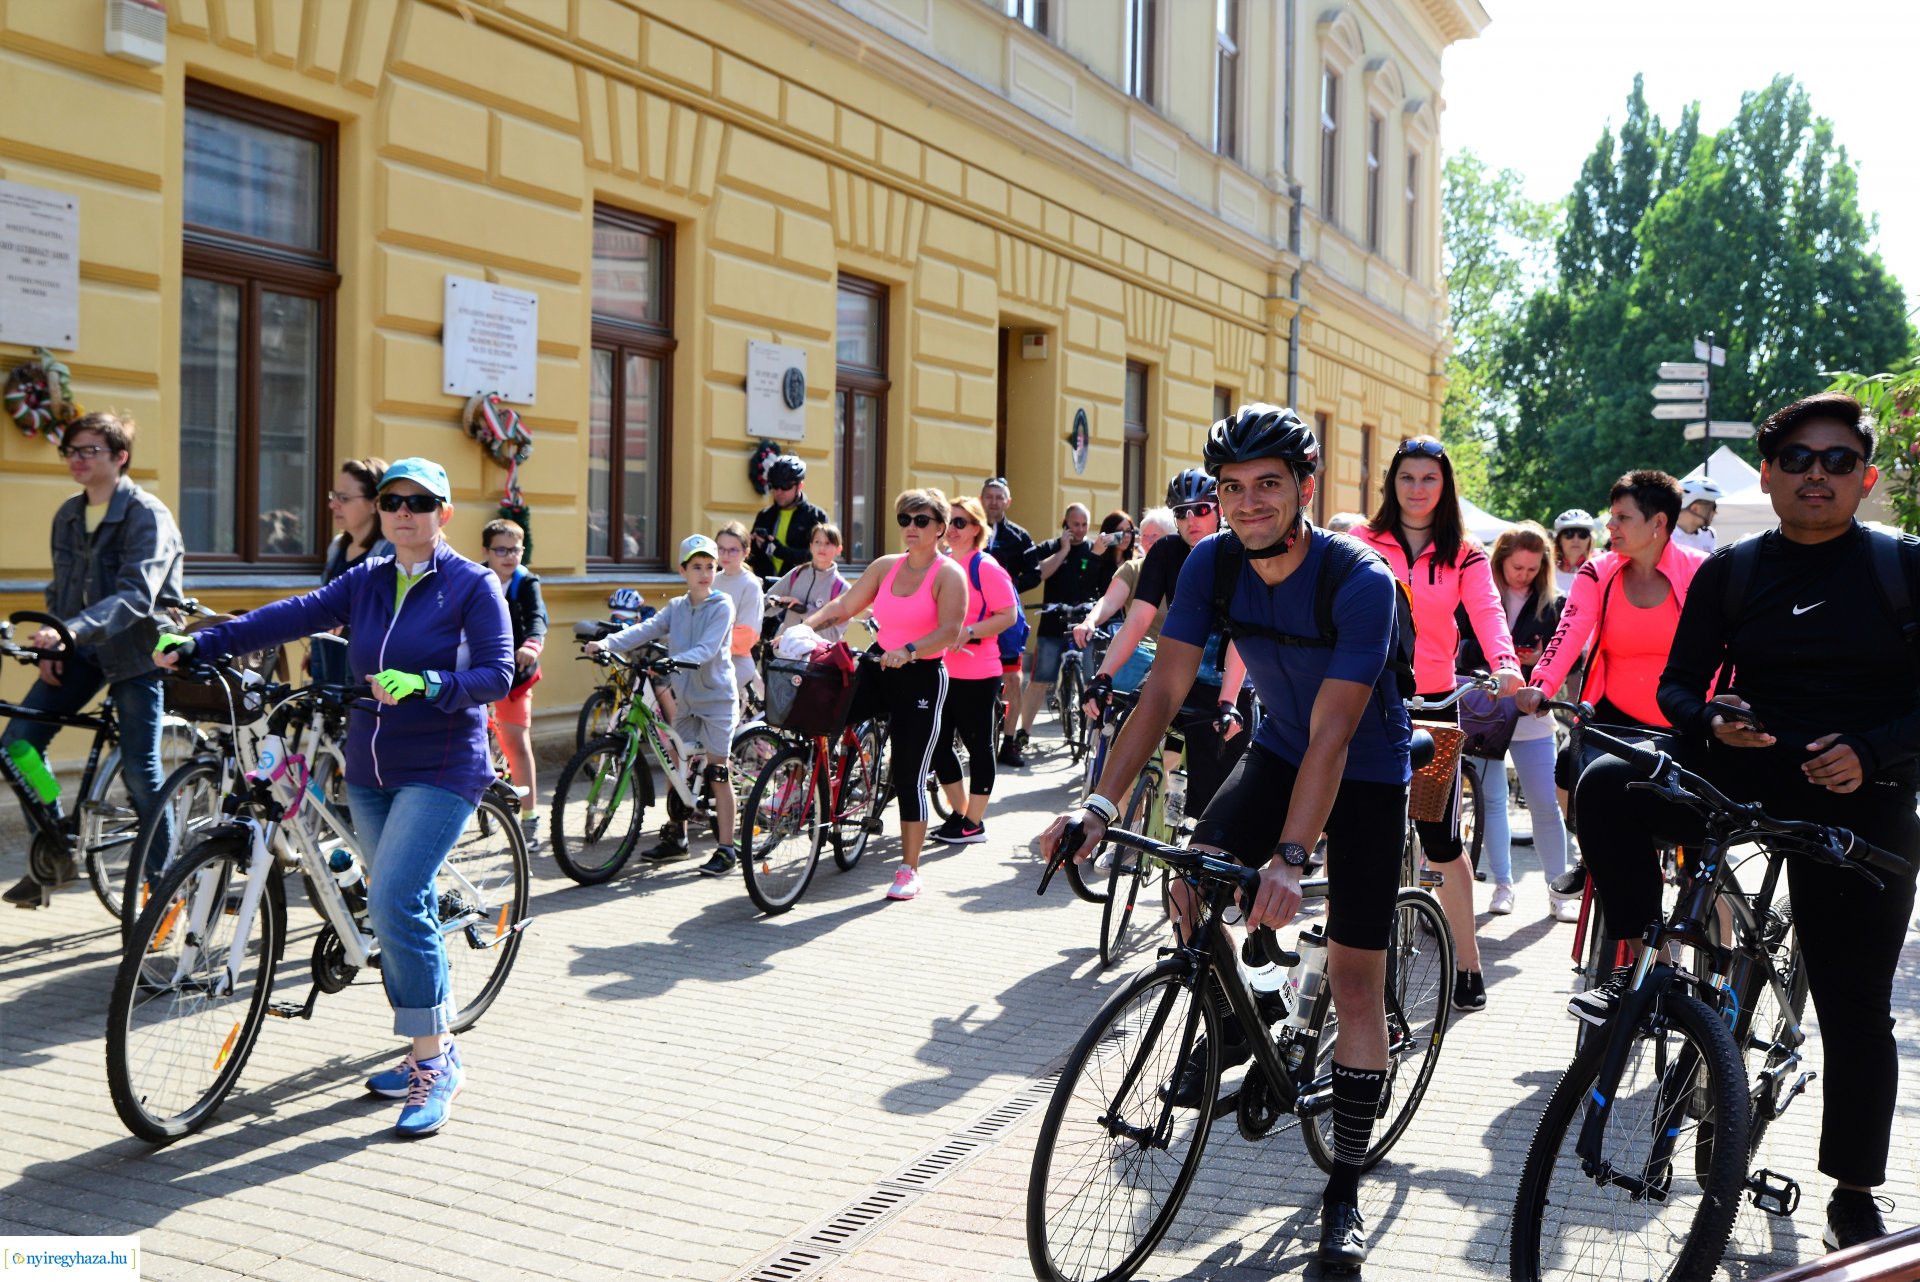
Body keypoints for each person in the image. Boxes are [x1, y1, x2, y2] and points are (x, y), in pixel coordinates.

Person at [1045, 405, 1413, 1273]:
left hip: (1365, 769)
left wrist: (1290, 858)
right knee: (1191, 880)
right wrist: (1097, 805)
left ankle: (1344, 1188)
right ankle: (1251, 1010)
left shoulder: (1359, 578)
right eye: (1233, 487)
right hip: (1280, 746)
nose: (1249, 503)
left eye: (1268, 485)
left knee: (1355, 979)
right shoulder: (1210, 561)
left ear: (1305, 488)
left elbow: (1335, 734)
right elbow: (1164, 690)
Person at [1568, 393, 1917, 1252]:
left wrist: (1871, 751)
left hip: (1863, 790)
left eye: (1837, 461)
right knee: (1607, 780)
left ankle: (1855, 1194)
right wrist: (1711, 718)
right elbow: (1677, 688)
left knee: (1855, 1006)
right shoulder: (1734, 569)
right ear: (1767, 475)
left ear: (1866, 478)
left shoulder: (1902, 567)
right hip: (1749, 764)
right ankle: (1640, 965)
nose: (1816, 474)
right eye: (1796, 459)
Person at [154, 457, 511, 1137]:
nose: (404, 512)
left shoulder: (471, 585)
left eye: (420, 502)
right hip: (370, 768)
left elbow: (496, 674)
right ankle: (429, 1040)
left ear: (444, 513)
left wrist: (429, 685)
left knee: (395, 899)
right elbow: (295, 614)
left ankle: (435, 1063)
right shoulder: (368, 578)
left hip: (443, 766)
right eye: (393, 501)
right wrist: (205, 644)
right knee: (397, 904)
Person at [1353, 437, 1522, 1012]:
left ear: (1445, 486)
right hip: (1370, 700)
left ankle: (1467, 963)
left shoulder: (1464, 554)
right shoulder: (1362, 542)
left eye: (1429, 478)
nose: (1418, 488)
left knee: (1442, 839)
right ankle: (1348, 969)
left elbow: (1488, 612)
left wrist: (1505, 665)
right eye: (1407, 477)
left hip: (1433, 703)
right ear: (1392, 484)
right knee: (1355, 833)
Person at [3, 412, 184, 910]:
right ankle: (55, 845)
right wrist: (54, 644)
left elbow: (136, 596)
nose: (77, 459)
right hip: (81, 648)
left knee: (140, 771)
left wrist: (69, 632)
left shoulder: (147, 514)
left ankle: (163, 887)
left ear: (120, 457)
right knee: (18, 743)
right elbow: (62, 589)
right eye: (71, 450)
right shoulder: (68, 513)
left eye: (89, 450)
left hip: (139, 652)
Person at [801, 489, 966, 901]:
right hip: (879, 666)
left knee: (909, 774)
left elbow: (949, 630)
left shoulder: (948, 574)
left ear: (940, 528)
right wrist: (804, 628)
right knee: (824, 716)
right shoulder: (885, 566)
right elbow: (844, 604)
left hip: (921, 676)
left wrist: (909, 650)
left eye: (921, 520)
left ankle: (909, 869)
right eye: (904, 520)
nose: (911, 527)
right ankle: (826, 792)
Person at [1086, 470, 1251, 820]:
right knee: (1123, 746)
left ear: (1219, 510)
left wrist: (1228, 701)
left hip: (1226, 676)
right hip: (1175, 670)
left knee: (1217, 804)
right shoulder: (1165, 551)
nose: (1191, 520)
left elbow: (1241, 633)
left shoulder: (1238, 551)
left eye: (1201, 510)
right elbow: (1137, 621)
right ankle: (1123, 832)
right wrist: (1103, 676)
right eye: (1181, 512)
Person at [587, 535, 740, 875]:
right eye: (697, 567)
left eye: (710, 567)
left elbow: (707, 649)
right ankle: (677, 838)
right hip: (687, 699)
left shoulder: (722, 605)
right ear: (683, 570)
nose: (704, 573)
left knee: (717, 770)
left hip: (717, 699)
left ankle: (727, 849)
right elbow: (645, 629)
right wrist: (607, 643)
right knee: (676, 764)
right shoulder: (677, 607)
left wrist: (673, 661)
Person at [1455, 522, 1573, 921]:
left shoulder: (1553, 604)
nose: (1524, 575)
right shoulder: (1476, 590)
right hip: (1485, 711)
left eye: (1532, 569)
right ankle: (1503, 885)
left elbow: (1565, 655)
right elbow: (1456, 645)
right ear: (1501, 561)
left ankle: (1557, 891)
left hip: (1531, 713)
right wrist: (1498, 659)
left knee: (1545, 804)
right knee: (1491, 802)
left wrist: (1536, 662)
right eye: (1517, 568)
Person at [929, 495, 1020, 844]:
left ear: (976, 528)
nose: (952, 529)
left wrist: (968, 631)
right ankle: (962, 813)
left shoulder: (985, 566)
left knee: (979, 745)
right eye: (948, 522)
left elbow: (1008, 615)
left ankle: (973, 823)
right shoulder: (942, 563)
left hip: (978, 672)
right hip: (941, 668)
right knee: (937, 744)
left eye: (960, 522)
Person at [1005, 504, 1119, 763]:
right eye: (1074, 524)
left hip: (1082, 625)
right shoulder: (1051, 547)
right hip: (1052, 624)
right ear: (1065, 524)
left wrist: (1096, 555)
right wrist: (1063, 551)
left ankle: (1089, 735)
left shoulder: (1093, 549)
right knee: (1039, 680)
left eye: (1084, 525)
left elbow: (1097, 582)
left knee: (1090, 680)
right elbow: (1038, 574)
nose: (1079, 530)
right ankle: (1024, 732)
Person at [481, 519, 546, 851]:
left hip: (515, 674)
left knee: (516, 743)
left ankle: (530, 818)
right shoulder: (476, 578)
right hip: (479, 670)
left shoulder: (526, 582)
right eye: (501, 550)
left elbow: (537, 617)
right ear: (486, 551)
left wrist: (532, 644)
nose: (509, 556)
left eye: (515, 550)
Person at [980, 477, 1040, 759]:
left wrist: (1008, 586)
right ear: (981, 499)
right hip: (973, 616)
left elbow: (1035, 573)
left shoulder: (1019, 536)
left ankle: (1009, 741)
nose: (993, 502)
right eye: (989, 496)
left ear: (1008, 502)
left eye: (998, 497)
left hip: (1006, 619)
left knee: (1012, 679)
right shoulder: (968, 530)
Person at [1074, 507, 1174, 652]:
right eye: (1144, 535)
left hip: (1177, 652)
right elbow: (1108, 601)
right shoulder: (1131, 568)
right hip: (1136, 649)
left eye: (1154, 535)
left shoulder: (1185, 566)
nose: (1148, 541)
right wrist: (1090, 621)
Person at [713, 522, 765, 716]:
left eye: (733, 550)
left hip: (735, 662)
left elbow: (747, 636)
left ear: (746, 552)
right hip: (709, 659)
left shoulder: (749, 584)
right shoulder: (713, 579)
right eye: (721, 549)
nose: (725, 555)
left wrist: (708, 642)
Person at [749, 455, 828, 580]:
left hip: (800, 586)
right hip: (765, 585)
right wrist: (751, 545)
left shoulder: (816, 516)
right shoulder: (764, 515)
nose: (779, 491)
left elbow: (817, 556)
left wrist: (778, 550)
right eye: (774, 486)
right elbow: (751, 557)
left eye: (785, 486)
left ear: (800, 486)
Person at [767, 524, 850, 642]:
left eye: (828, 543)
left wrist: (803, 609)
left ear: (839, 549)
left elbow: (833, 635)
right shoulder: (797, 573)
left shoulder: (842, 588)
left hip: (815, 653)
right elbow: (766, 604)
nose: (822, 547)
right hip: (784, 650)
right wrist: (778, 601)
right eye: (817, 542)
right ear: (811, 546)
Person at [323, 457, 394, 583]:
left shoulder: (393, 552)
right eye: (334, 496)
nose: (332, 505)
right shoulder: (336, 547)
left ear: (375, 504)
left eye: (344, 498)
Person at [1671, 476, 1723, 555]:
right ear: (1695, 508)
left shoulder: (1708, 535)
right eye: (1713, 507)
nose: (1715, 512)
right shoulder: (1665, 535)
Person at [1551, 508, 1597, 595]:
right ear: (1559, 540)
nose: (1576, 540)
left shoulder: (1599, 571)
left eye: (1583, 534)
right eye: (1569, 534)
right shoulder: (1545, 570)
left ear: (1589, 540)